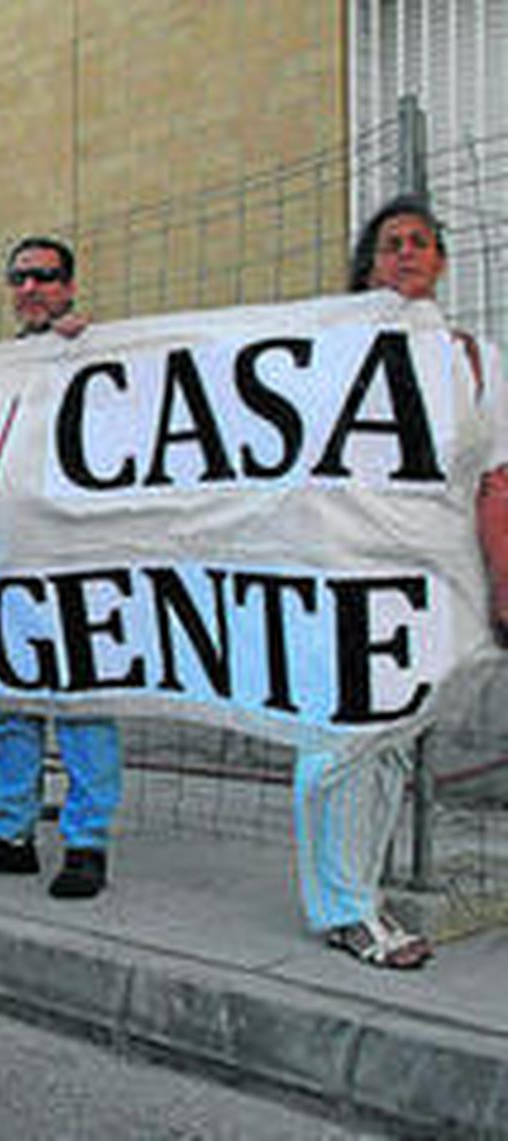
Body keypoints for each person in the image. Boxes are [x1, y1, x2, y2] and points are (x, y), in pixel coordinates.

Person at [292, 195, 503, 969]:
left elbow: (496, 482)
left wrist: (501, 584)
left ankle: (358, 888)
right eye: (388, 245)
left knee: (388, 744)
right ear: (368, 265)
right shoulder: (324, 350)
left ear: (441, 260)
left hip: (428, 586)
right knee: (340, 738)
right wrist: (70, 353)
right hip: (342, 575)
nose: (406, 254)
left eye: (420, 242)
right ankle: (344, 906)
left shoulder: (474, 360)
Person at [0, 236, 122, 900]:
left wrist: (86, 346)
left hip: (74, 559)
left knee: (82, 702)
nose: (32, 288)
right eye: (20, 278)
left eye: (45, 276)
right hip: (2, 555)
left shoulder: (101, 354)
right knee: (9, 701)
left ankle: (86, 841)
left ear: (69, 286)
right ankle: (8, 833)